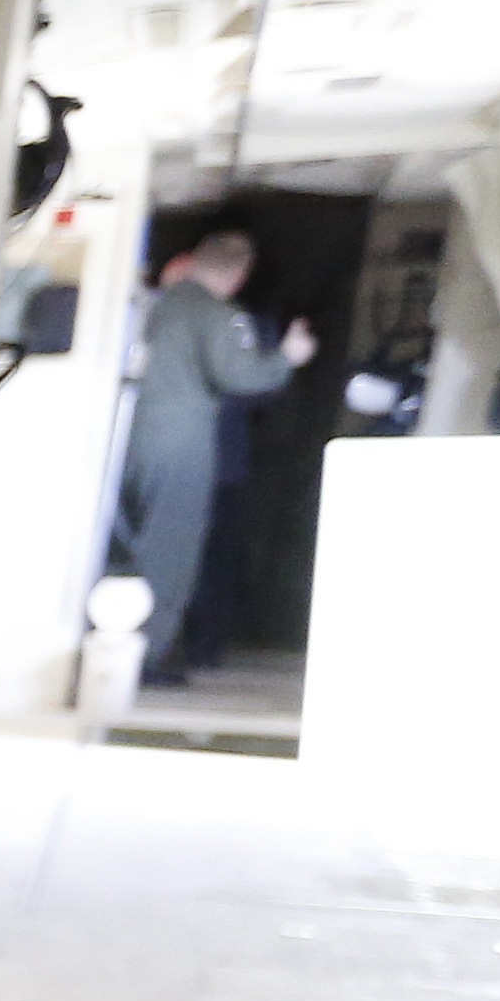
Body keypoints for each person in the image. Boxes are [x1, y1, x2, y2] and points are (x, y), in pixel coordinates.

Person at [111, 223, 316, 687]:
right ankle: (146, 657)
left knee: (126, 546)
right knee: (170, 551)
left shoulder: (149, 306)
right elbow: (242, 377)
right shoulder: (217, 315)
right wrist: (288, 356)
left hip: (129, 438)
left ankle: (107, 642)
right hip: (183, 443)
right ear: (238, 272)